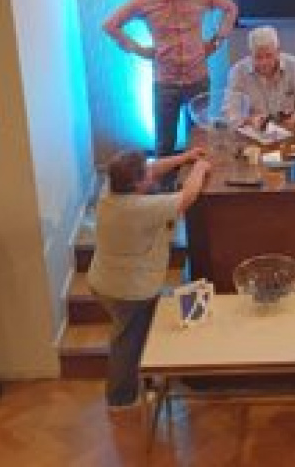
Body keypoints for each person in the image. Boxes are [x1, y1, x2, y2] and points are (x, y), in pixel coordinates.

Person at [87, 147, 211, 409]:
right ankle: (121, 399)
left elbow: (153, 168)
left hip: (107, 280)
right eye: (146, 175)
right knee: (127, 343)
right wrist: (199, 168)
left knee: (133, 335)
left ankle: (144, 383)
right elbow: (188, 196)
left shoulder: (110, 190)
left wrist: (184, 158)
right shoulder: (137, 209)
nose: (152, 176)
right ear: (135, 184)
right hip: (127, 290)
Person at [103, 0, 238, 156]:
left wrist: (218, 39)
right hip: (165, 82)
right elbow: (110, 25)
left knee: (200, 140)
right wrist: (138, 49)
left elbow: (230, 8)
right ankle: (165, 178)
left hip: (198, 79)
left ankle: (197, 177)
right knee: (164, 144)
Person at [226, 26, 295, 129]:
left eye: (269, 56)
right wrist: (249, 120)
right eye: (258, 57)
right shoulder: (238, 72)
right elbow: (231, 114)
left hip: (290, 129)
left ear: (278, 51)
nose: (263, 63)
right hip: (255, 131)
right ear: (250, 54)